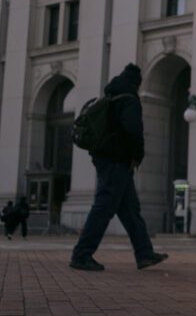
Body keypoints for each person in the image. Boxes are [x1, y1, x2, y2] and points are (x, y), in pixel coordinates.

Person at [70, 63, 168, 272]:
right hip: (117, 160)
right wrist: (137, 155)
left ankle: (144, 254)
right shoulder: (129, 99)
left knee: (130, 210)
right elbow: (133, 131)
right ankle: (81, 254)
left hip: (108, 159)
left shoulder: (111, 97)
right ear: (137, 82)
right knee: (103, 208)